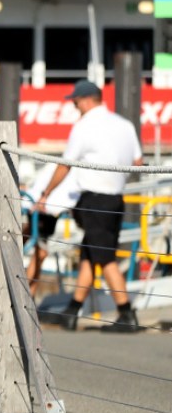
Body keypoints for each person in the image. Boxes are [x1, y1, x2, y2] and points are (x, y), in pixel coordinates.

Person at [33, 80, 143, 333]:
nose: (74, 106)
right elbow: (138, 161)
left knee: (105, 259)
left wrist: (46, 194)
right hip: (116, 198)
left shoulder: (84, 127)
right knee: (89, 255)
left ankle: (126, 314)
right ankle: (72, 312)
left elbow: (65, 164)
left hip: (94, 200)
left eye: (75, 102)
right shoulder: (124, 125)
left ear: (86, 100)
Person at [24, 164, 80, 298]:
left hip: (47, 206)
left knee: (36, 248)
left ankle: (26, 297)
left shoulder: (58, 165)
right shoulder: (65, 165)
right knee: (40, 252)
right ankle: (25, 297)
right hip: (45, 207)